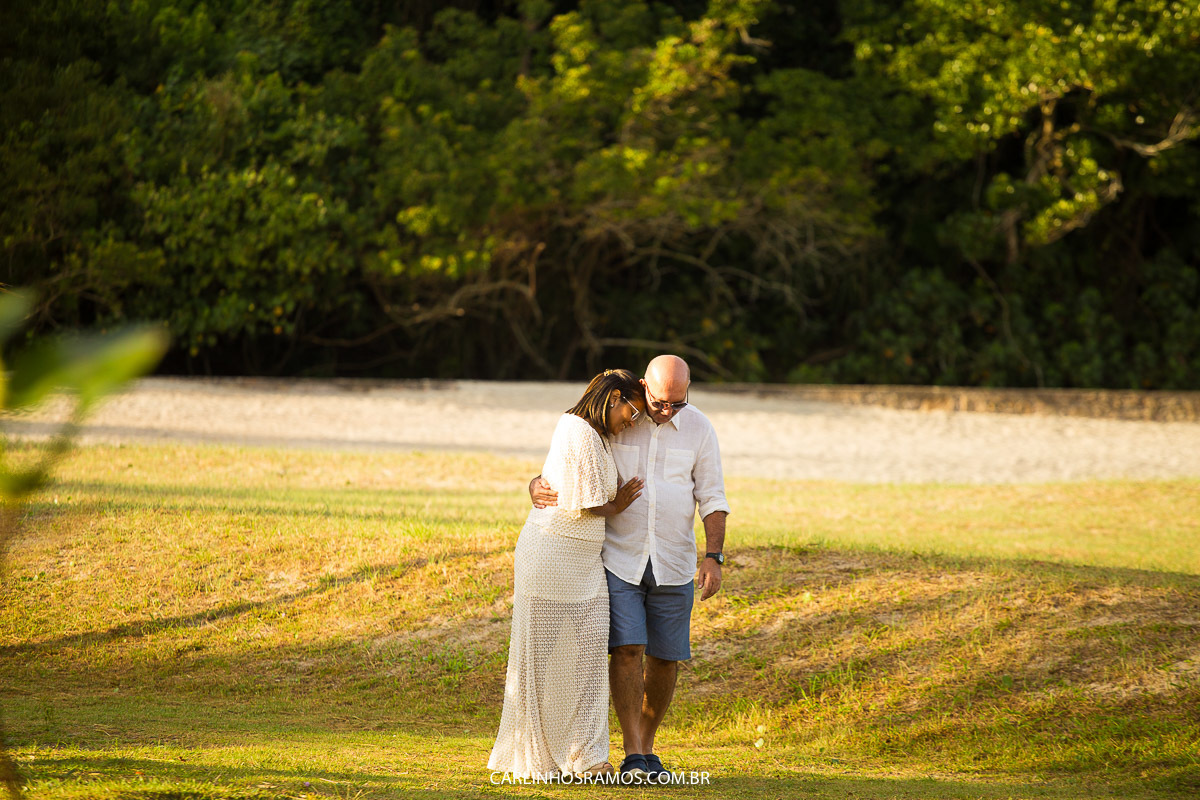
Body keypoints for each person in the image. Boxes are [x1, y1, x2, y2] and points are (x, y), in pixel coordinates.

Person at [529, 355, 729, 779]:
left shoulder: (700, 428)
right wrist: (535, 482)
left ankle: (648, 746)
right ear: (644, 386)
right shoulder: (623, 416)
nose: (668, 410)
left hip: (675, 559)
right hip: (620, 557)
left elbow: (713, 497)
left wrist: (714, 556)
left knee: (666, 657)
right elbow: (572, 453)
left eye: (678, 402)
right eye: (661, 401)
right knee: (627, 651)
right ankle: (632, 749)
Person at [488, 369, 647, 778]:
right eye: (633, 411)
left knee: (589, 655)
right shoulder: (577, 429)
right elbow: (588, 502)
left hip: (584, 563)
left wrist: (535, 482)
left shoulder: (596, 435)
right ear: (614, 397)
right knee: (540, 661)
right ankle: (545, 756)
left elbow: (559, 481)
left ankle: (586, 755)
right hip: (550, 556)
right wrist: (620, 503)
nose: (634, 421)